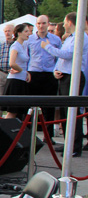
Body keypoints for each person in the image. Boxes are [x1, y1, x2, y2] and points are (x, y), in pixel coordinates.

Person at [43, 12, 86, 156]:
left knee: (72, 111)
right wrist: (56, 70)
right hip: (65, 75)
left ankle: (75, 146)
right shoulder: (69, 38)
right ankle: (69, 143)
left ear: (69, 22)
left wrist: (47, 47)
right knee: (64, 111)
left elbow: (67, 55)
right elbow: (63, 58)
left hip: (74, 76)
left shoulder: (80, 37)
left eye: (64, 21)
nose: (63, 24)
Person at [28, 14, 61, 133]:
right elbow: (27, 56)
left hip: (49, 74)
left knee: (49, 105)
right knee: (32, 104)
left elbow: (59, 57)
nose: (41, 26)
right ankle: (31, 133)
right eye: (39, 23)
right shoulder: (30, 39)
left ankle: (49, 134)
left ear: (48, 24)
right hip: (34, 73)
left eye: (43, 23)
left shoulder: (55, 39)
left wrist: (57, 70)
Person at [4, 24, 32, 119]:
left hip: (21, 80)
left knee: (18, 112)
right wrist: (20, 70)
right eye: (26, 31)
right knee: (13, 111)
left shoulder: (23, 45)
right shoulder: (15, 46)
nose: (28, 33)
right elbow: (12, 62)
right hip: (15, 81)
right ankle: (3, 132)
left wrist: (25, 72)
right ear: (19, 33)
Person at [0, 24, 15, 98]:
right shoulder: (0, 46)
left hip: (12, 73)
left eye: (9, 31)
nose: (7, 33)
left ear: (13, 32)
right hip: (1, 73)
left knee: (12, 96)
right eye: (6, 31)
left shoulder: (17, 45)